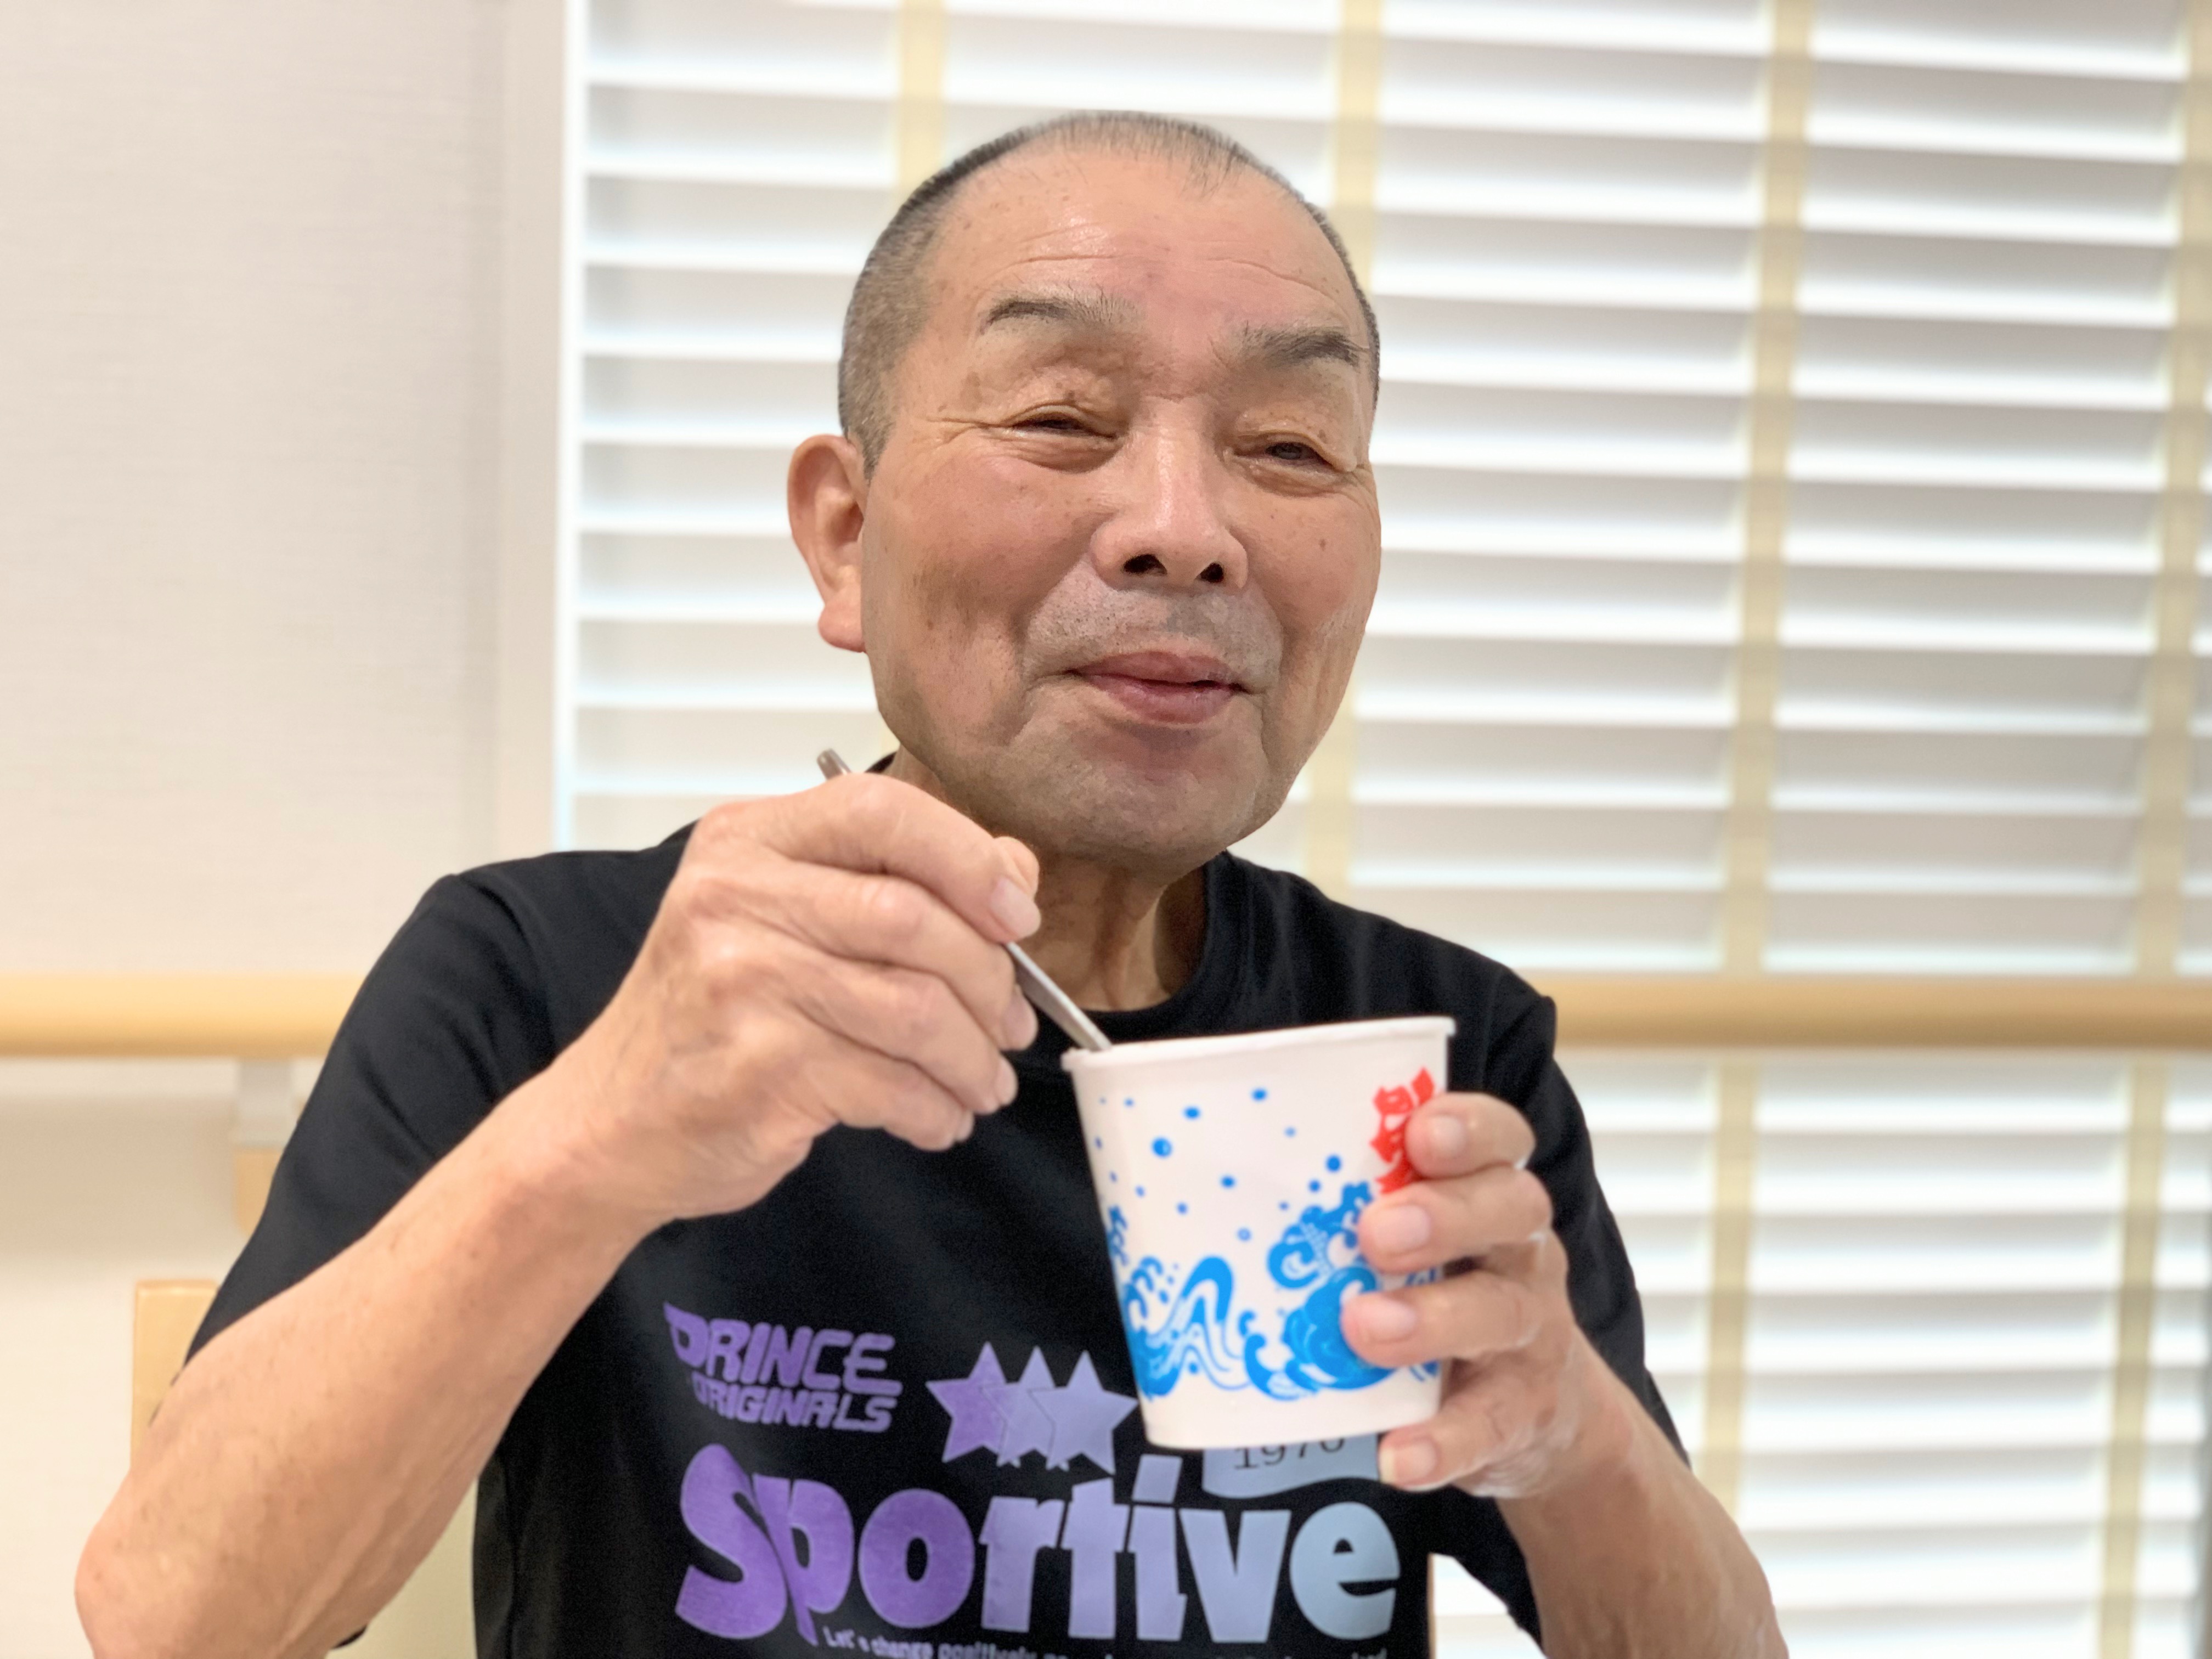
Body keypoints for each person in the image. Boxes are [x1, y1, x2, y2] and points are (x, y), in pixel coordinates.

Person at [78, 112, 1783, 1658]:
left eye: (1286, 447)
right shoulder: (551, 972)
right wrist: (600, 1135)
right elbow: (174, 1618)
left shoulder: (1430, 1049)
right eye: (1061, 420)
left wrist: (1566, 1428)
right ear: (844, 536)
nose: (1184, 528)